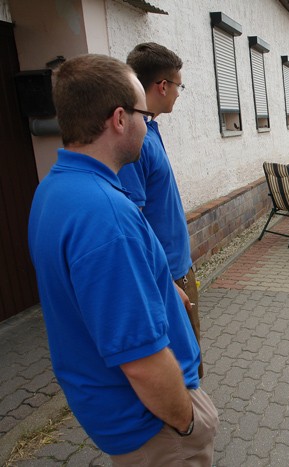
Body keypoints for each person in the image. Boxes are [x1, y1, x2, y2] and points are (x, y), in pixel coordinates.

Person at [28, 54, 218, 465]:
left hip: (123, 419)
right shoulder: (106, 217)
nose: (146, 124)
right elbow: (142, 362)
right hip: (155, 427)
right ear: (119, 119)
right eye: (142, 115)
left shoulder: (53, 191)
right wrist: (188, 422)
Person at [118, 43, 203, 379]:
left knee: (192, 360)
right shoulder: (134, 142)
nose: (180, 94)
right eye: (179, 86)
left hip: (180, 268)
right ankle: (187, 428)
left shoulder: (150, 129)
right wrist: (167, 282)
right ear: (162, 85)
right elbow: (133, 222)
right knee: (181, 371)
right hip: (167, 278)